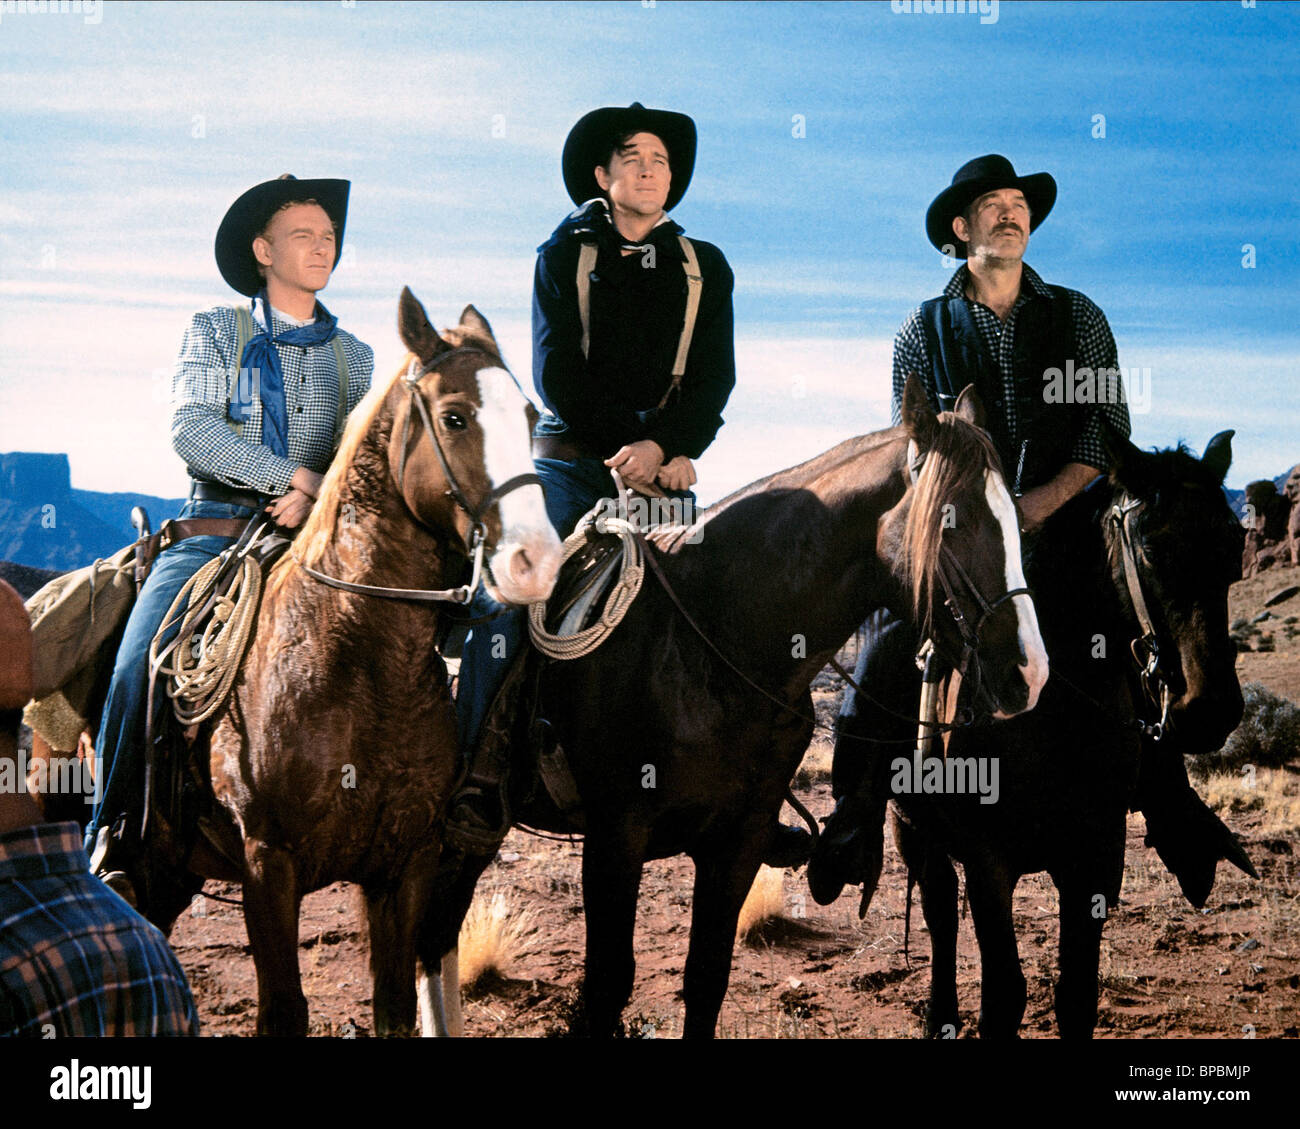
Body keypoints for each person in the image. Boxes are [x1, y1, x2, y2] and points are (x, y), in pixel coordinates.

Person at [807, 154, 1228, 908]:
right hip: (965, 542)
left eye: (1020, 204)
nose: (1013, 213)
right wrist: (984, 517)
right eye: (993, 205)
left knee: (1136, 632)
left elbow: (1105, 433)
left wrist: (1038, 504)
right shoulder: (921, 330)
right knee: (882, 652)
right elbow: (920, 448)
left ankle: (1172, 799)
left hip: (1063, 528)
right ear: (961, 229)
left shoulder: (1078, 317)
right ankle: (856, 813)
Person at [452, 102, 809, 867]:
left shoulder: (704, 266)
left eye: (662, 161)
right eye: (634, 158)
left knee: (735, 605)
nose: (651, 170)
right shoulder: (564, 254)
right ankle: (478, 770)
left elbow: (716, 377)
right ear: (602, 176)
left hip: (666, 472)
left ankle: (751, 789)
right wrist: (631, 443)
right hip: (570, 462)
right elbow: (556, 372)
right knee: (512, 581)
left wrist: (676, 447)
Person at [85, 175, 373, 901]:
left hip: (317, 545)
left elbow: (360, 460)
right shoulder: (217, 330)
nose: (321, 247)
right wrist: (289, 480)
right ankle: (118, 834)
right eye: (303, 235)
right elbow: (193, 429)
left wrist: (318, 500)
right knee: (139, 666)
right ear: (262, 249)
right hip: (213, 532)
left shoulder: (357, 357)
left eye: (329, 236)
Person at [1, 578, 199, 1036]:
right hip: (202, 531)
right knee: (131, 669)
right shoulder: (153, 959)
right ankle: (112, 836)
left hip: (292, 536)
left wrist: (308, 499)